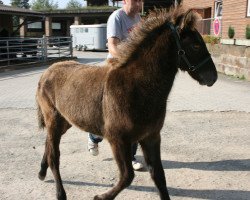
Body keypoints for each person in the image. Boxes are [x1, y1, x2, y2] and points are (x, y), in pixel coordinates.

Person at [88, 0, 144, 171]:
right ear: (125, 1)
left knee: (133, 116)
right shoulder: (116, 18)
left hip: (133, 70)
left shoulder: (138, 18)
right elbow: (112, 46)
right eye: (136, 1)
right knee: (111, 115)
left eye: (141, 1)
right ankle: (93, 137)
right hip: (116, 67)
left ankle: (130, 156)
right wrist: (129, 60)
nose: (139, 4)